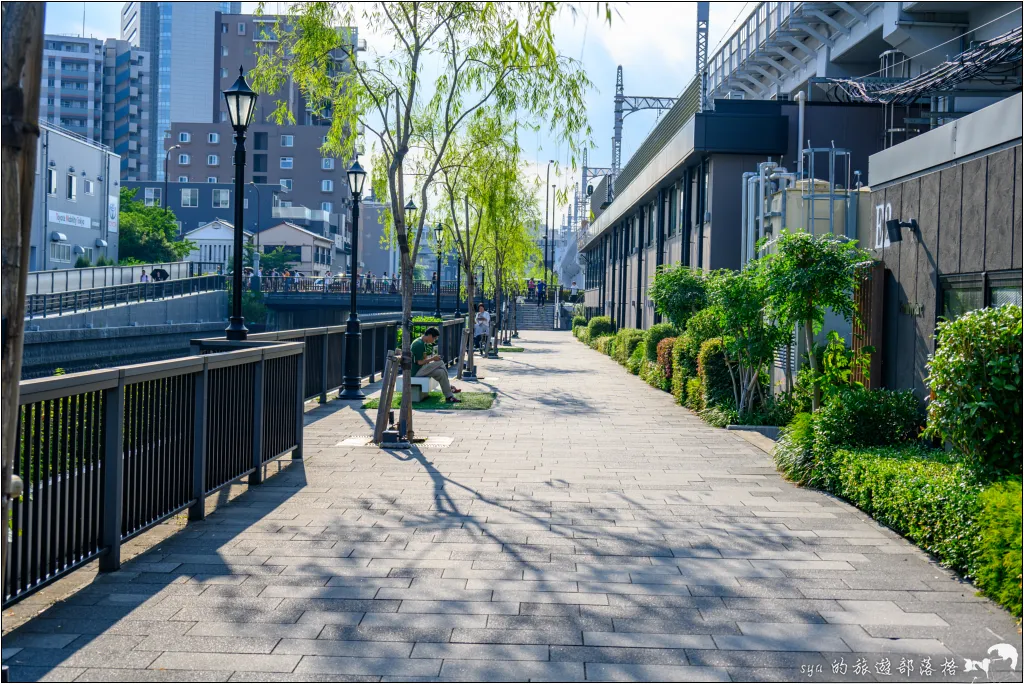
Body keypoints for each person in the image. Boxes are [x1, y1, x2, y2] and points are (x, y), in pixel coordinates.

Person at [412, 327, 461, 403]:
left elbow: (423, 360)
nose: (434, 341)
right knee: (440, 362)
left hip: (422, 369)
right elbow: (419, 362)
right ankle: (449, 386)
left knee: (441, 373)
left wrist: (431, 359)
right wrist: (433, 359)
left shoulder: (422, 342)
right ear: (430, 335)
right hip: (416, 372)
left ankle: (449, 396)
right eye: (434, 338)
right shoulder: (419, 344)